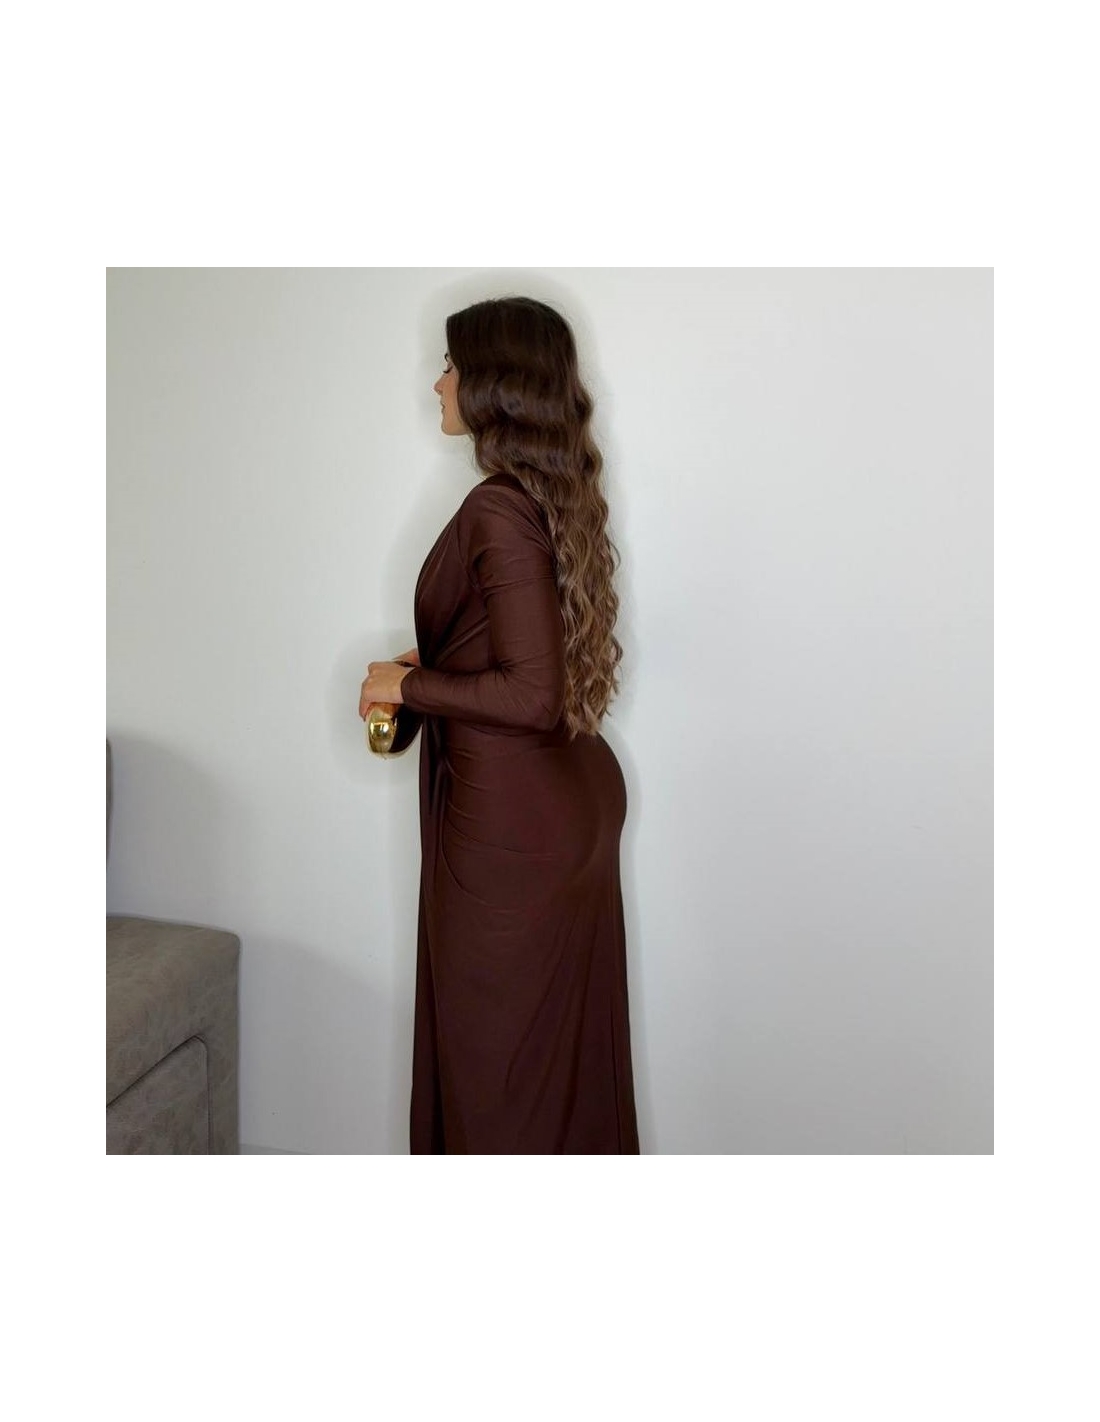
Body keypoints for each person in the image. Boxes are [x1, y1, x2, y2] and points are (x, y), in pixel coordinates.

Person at [359, 296, 640, 1154]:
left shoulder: (497, 507)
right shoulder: (547, 496)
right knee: (557, 1070)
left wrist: (408, 688)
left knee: (495, 1077)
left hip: (509, 832)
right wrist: (435, 662)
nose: (436, 383)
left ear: (494, 384)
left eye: (450, 366)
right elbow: (527, 653)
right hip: (563, 805)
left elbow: (530, 695)